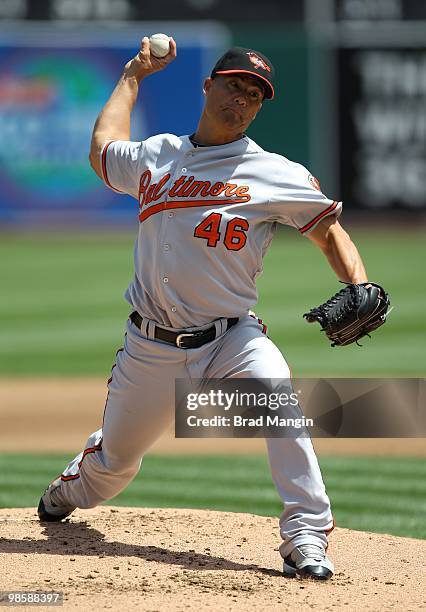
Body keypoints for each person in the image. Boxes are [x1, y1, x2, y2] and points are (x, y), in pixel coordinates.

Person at [38, 38, 370, 581]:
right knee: (112, 469)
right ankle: (74, 483)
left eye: (254, 95)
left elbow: (329, 232)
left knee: (277, 398)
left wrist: (359, 282)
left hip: (229, 339)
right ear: (208, 86)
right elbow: (102, 150)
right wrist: (132, 76)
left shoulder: (274, 172)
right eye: (234, 85)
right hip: (149, 346)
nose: (241, 99)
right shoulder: (157, 155)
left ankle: (306, 533)